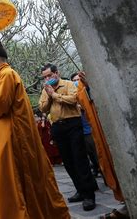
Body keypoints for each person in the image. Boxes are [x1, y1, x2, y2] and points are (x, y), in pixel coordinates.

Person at [0, 38, 69, 218]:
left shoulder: (7, 74)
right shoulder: (5, 75)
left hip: (14, 137)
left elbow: (0, 107)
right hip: (11, 133)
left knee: (15, 180)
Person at [39, 63, 97, 211]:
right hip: (58, 126)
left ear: (57, 73)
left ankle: (89, 195)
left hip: (73, 124)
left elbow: (73, 99)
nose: (47, 78)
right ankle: (80, 189)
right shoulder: (46, 89)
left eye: (49, 75)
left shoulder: (69, 84)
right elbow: (42, 107)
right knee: (68, 161)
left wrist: (54, 95)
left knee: (80, 159)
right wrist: (49, 96)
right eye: (45, 77)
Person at [75, 71, 129, 219]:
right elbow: (81, 99)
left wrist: (91, 85)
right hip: (98, 130)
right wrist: (87, 87)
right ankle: (127, 202)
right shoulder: (81, 84)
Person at [71, 73, 100, 177]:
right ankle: (96, 169)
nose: (76, 82)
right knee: (90, 153)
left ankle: (102, 170)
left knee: (97, 151)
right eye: (74, 80)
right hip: (81, 129)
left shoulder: (86, 90)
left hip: (91, 127)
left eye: (78, 79)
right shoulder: (73, 94)